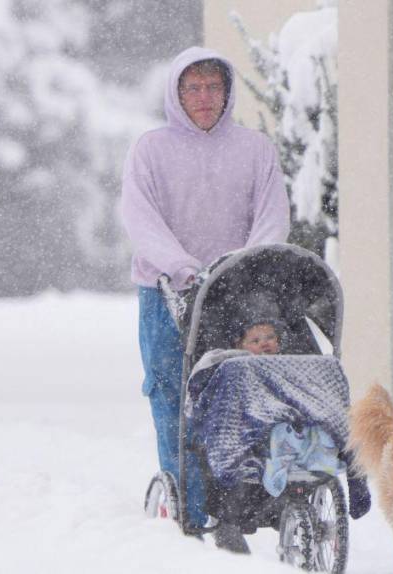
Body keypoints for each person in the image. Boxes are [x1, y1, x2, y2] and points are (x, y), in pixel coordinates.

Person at [119, 46, 290, 551]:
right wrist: (182, 266)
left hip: (237, 290)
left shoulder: (255, 149)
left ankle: (248, 496)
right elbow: (140, 218)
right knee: (174, 393)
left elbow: (271, 212)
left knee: (238, 393)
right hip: (168, 290)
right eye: (192, 87)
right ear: (176, 93)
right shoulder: (150, 150)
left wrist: (250, 261)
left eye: (213, 86)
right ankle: (189, 509)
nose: (203, 97)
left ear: (227, 91)